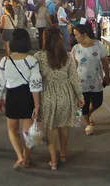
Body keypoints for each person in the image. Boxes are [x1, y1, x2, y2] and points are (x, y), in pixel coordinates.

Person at [35, 26, 84, 170]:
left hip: (47, 95)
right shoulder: (68, 56)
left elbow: (36, 80)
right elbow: (74, 78)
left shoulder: (39, 56)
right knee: (64, 126)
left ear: (45, 39)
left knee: (51, 127)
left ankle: (54, 160)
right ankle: (63, 153)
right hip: (66, 94)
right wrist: (80, 96)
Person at [0, 29, 42, 170]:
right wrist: (37, 106)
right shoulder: (32, 61)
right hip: (27, 97)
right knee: (28, 134)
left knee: (12, 129)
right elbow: (35, 85)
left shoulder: (4, 61)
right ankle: (26, 158)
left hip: (12, 97)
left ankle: (19, 156)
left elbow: (0, 82)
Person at [72, 24, 110, 135]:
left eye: (76, 35)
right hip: (81, 82)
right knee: (84, 104)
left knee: (98, 102)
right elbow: (74, 67)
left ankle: (88, 114)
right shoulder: (75, 49)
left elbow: (105, 62)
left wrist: (107, 75)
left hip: (96, 80)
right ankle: (88, 125)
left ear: (84, 34)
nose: (75, 37)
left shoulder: (98, 45)